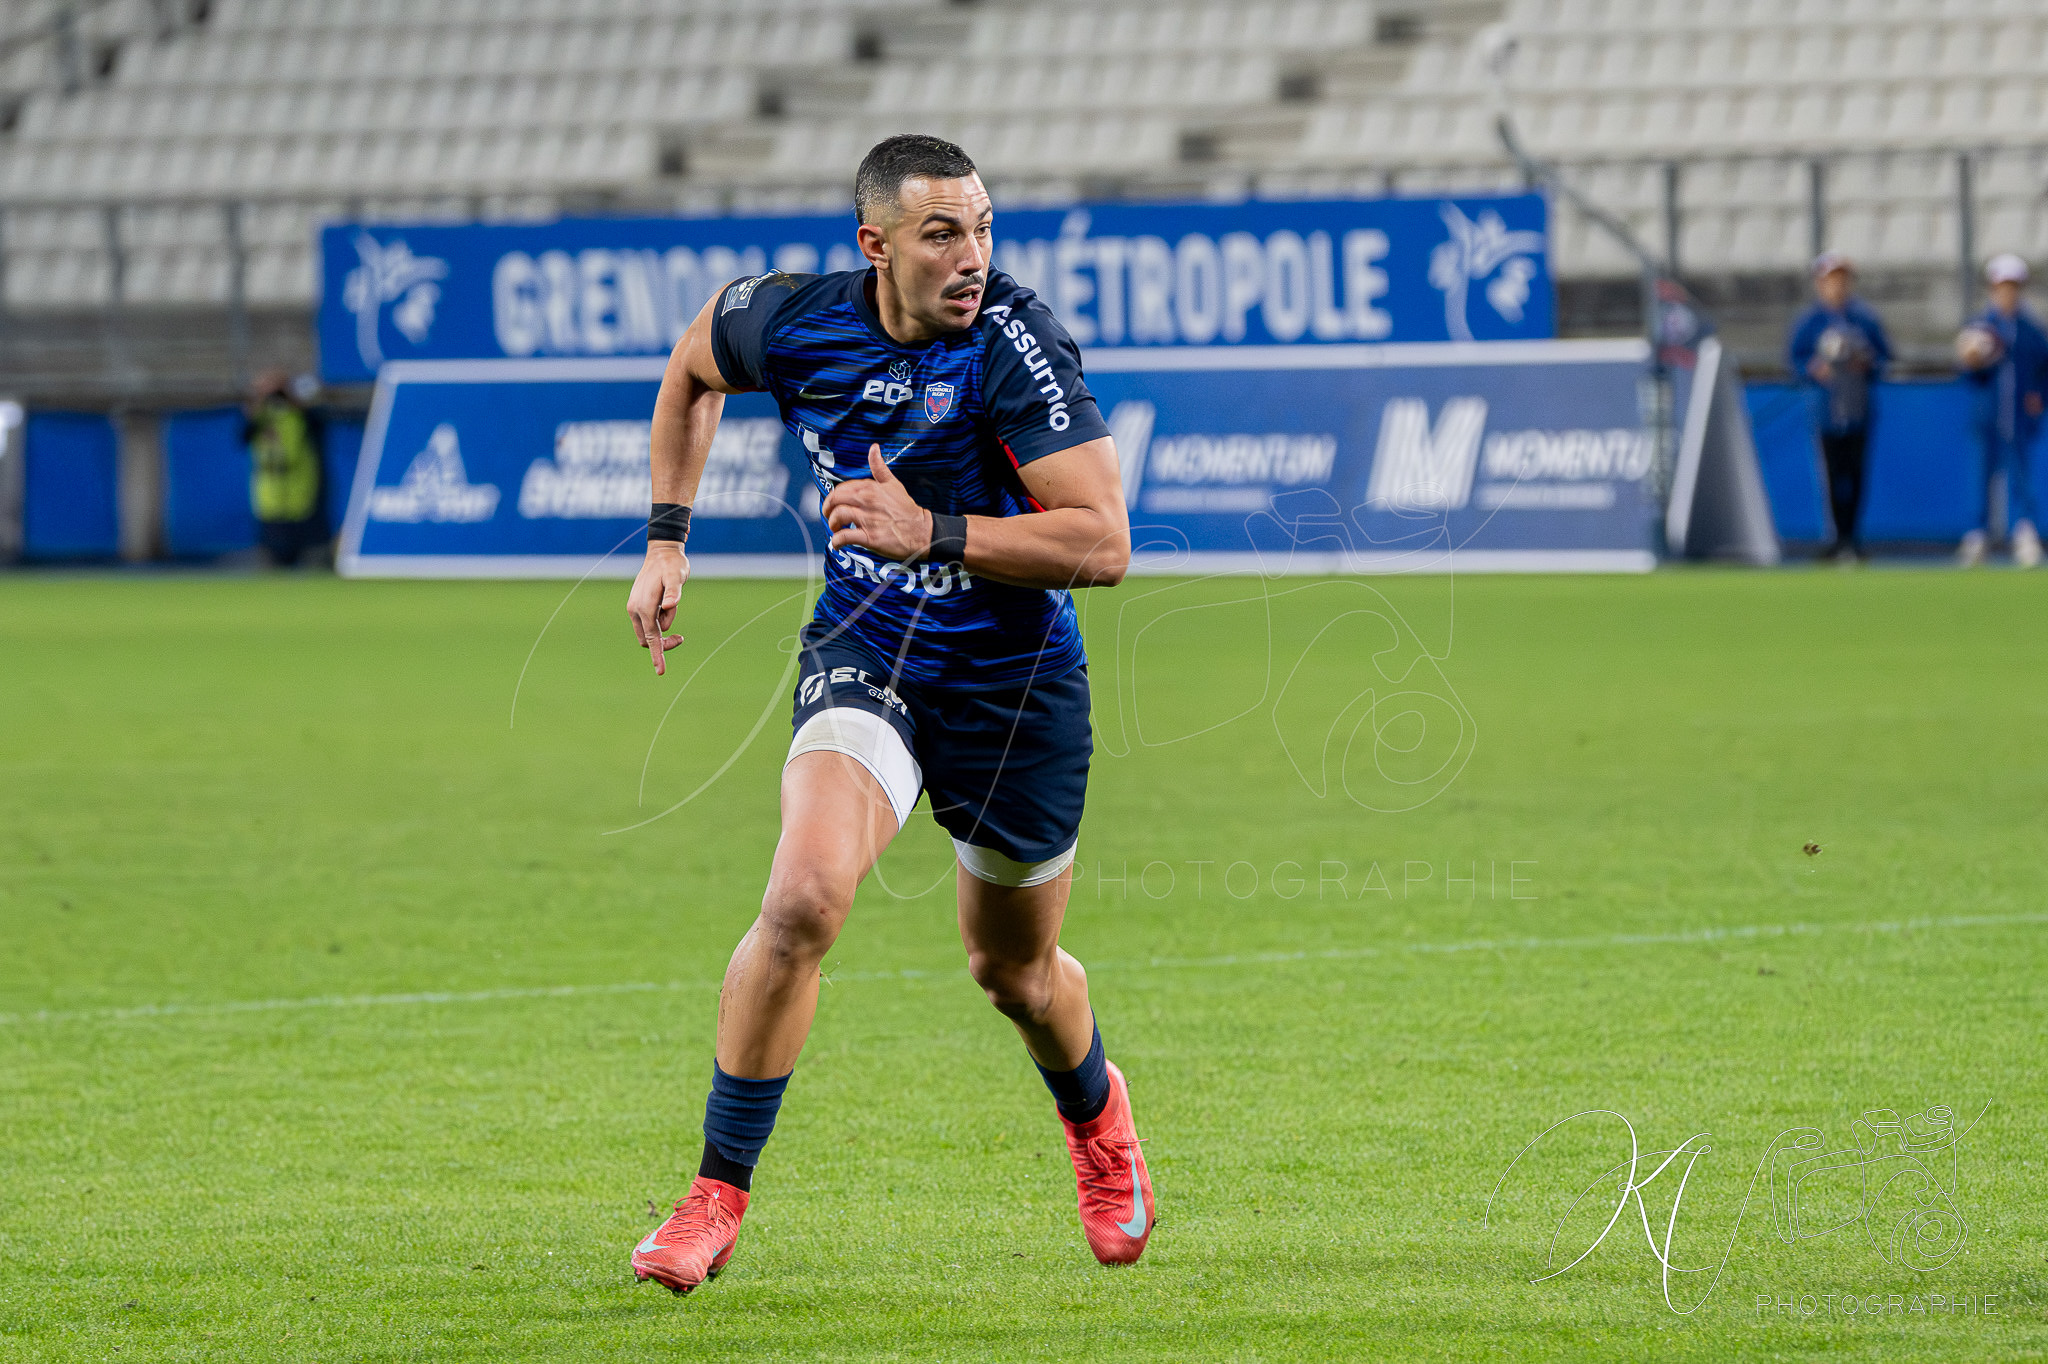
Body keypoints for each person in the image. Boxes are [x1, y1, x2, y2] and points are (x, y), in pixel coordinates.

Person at [623, 134, 1148, 1294]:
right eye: (941, 233)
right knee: (803, 896)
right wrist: (668, 537)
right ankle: (713, 1192)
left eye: (983, 229)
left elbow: (1101, 543)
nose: (972, 257)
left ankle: (1096, 1115)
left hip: (1014, 690)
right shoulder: (795, 319)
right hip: (869, 651)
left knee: (1010, 972)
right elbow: (688, 370)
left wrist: (934, 531)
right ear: (875, 245)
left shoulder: (1017, 342)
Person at [1787, 252, 1892, 560]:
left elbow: (1884, 357)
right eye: (1830, 280)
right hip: (1827, 411)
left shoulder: (1864, 319)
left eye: (1842, 280)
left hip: (1859, 409)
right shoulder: (1810, 322)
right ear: (1820, 284)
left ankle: (1852, 536)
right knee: (1832, 475)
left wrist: (1867, 363)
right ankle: (1837, 537)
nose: (1837, 286)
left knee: (1857, 474)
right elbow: (1795, 358)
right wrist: (1813, 368)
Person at [1956, 254, 2048, 568]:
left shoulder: (2030, 331)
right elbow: (1968, 373)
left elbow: (2043, 372)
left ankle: (2024, 532)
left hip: (2019, 419)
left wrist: (2039, 397)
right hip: (1986, 416)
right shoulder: (1980, 327)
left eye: (2013, 286)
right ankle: (1978, 535)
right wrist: (1972, 361)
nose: (2007, 293)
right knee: (1981, 476)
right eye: (2001, 286)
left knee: (2021, 475)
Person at [244, 370, 326, 567]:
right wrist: (257, 402)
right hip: (271, 500)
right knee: (274, 562)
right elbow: (243, 435)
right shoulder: (263, 416)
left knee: (309, 560)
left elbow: (317, 423)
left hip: (301, 498)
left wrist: (291, 396)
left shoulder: (301, 416)